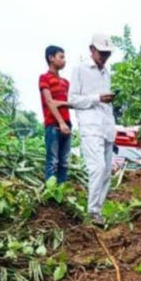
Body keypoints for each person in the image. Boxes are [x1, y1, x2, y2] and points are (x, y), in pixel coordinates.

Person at [68, 34, 117, 226]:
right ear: (91, 49)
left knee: (106, 173)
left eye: (107, 54)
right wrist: (97, 98)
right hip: (90, 126)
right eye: (101, 53)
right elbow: (72, 100)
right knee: (97, 168)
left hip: (106, 126)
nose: (104, 57)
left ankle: (98, 210)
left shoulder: (107, 73)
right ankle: (92, 211)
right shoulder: (80, 70)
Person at [39, 45, 72, 183]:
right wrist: (61, 122)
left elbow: (70, 103)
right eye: (61, 57)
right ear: (51, 58)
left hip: (67, 124)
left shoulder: (66, 82)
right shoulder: (44, 78)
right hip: (53, 125)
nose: (64, 60)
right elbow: (49, 102)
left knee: (64, 162)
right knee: (53, 161)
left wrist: (59, 103)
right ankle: (51, 194)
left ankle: (61, 193)